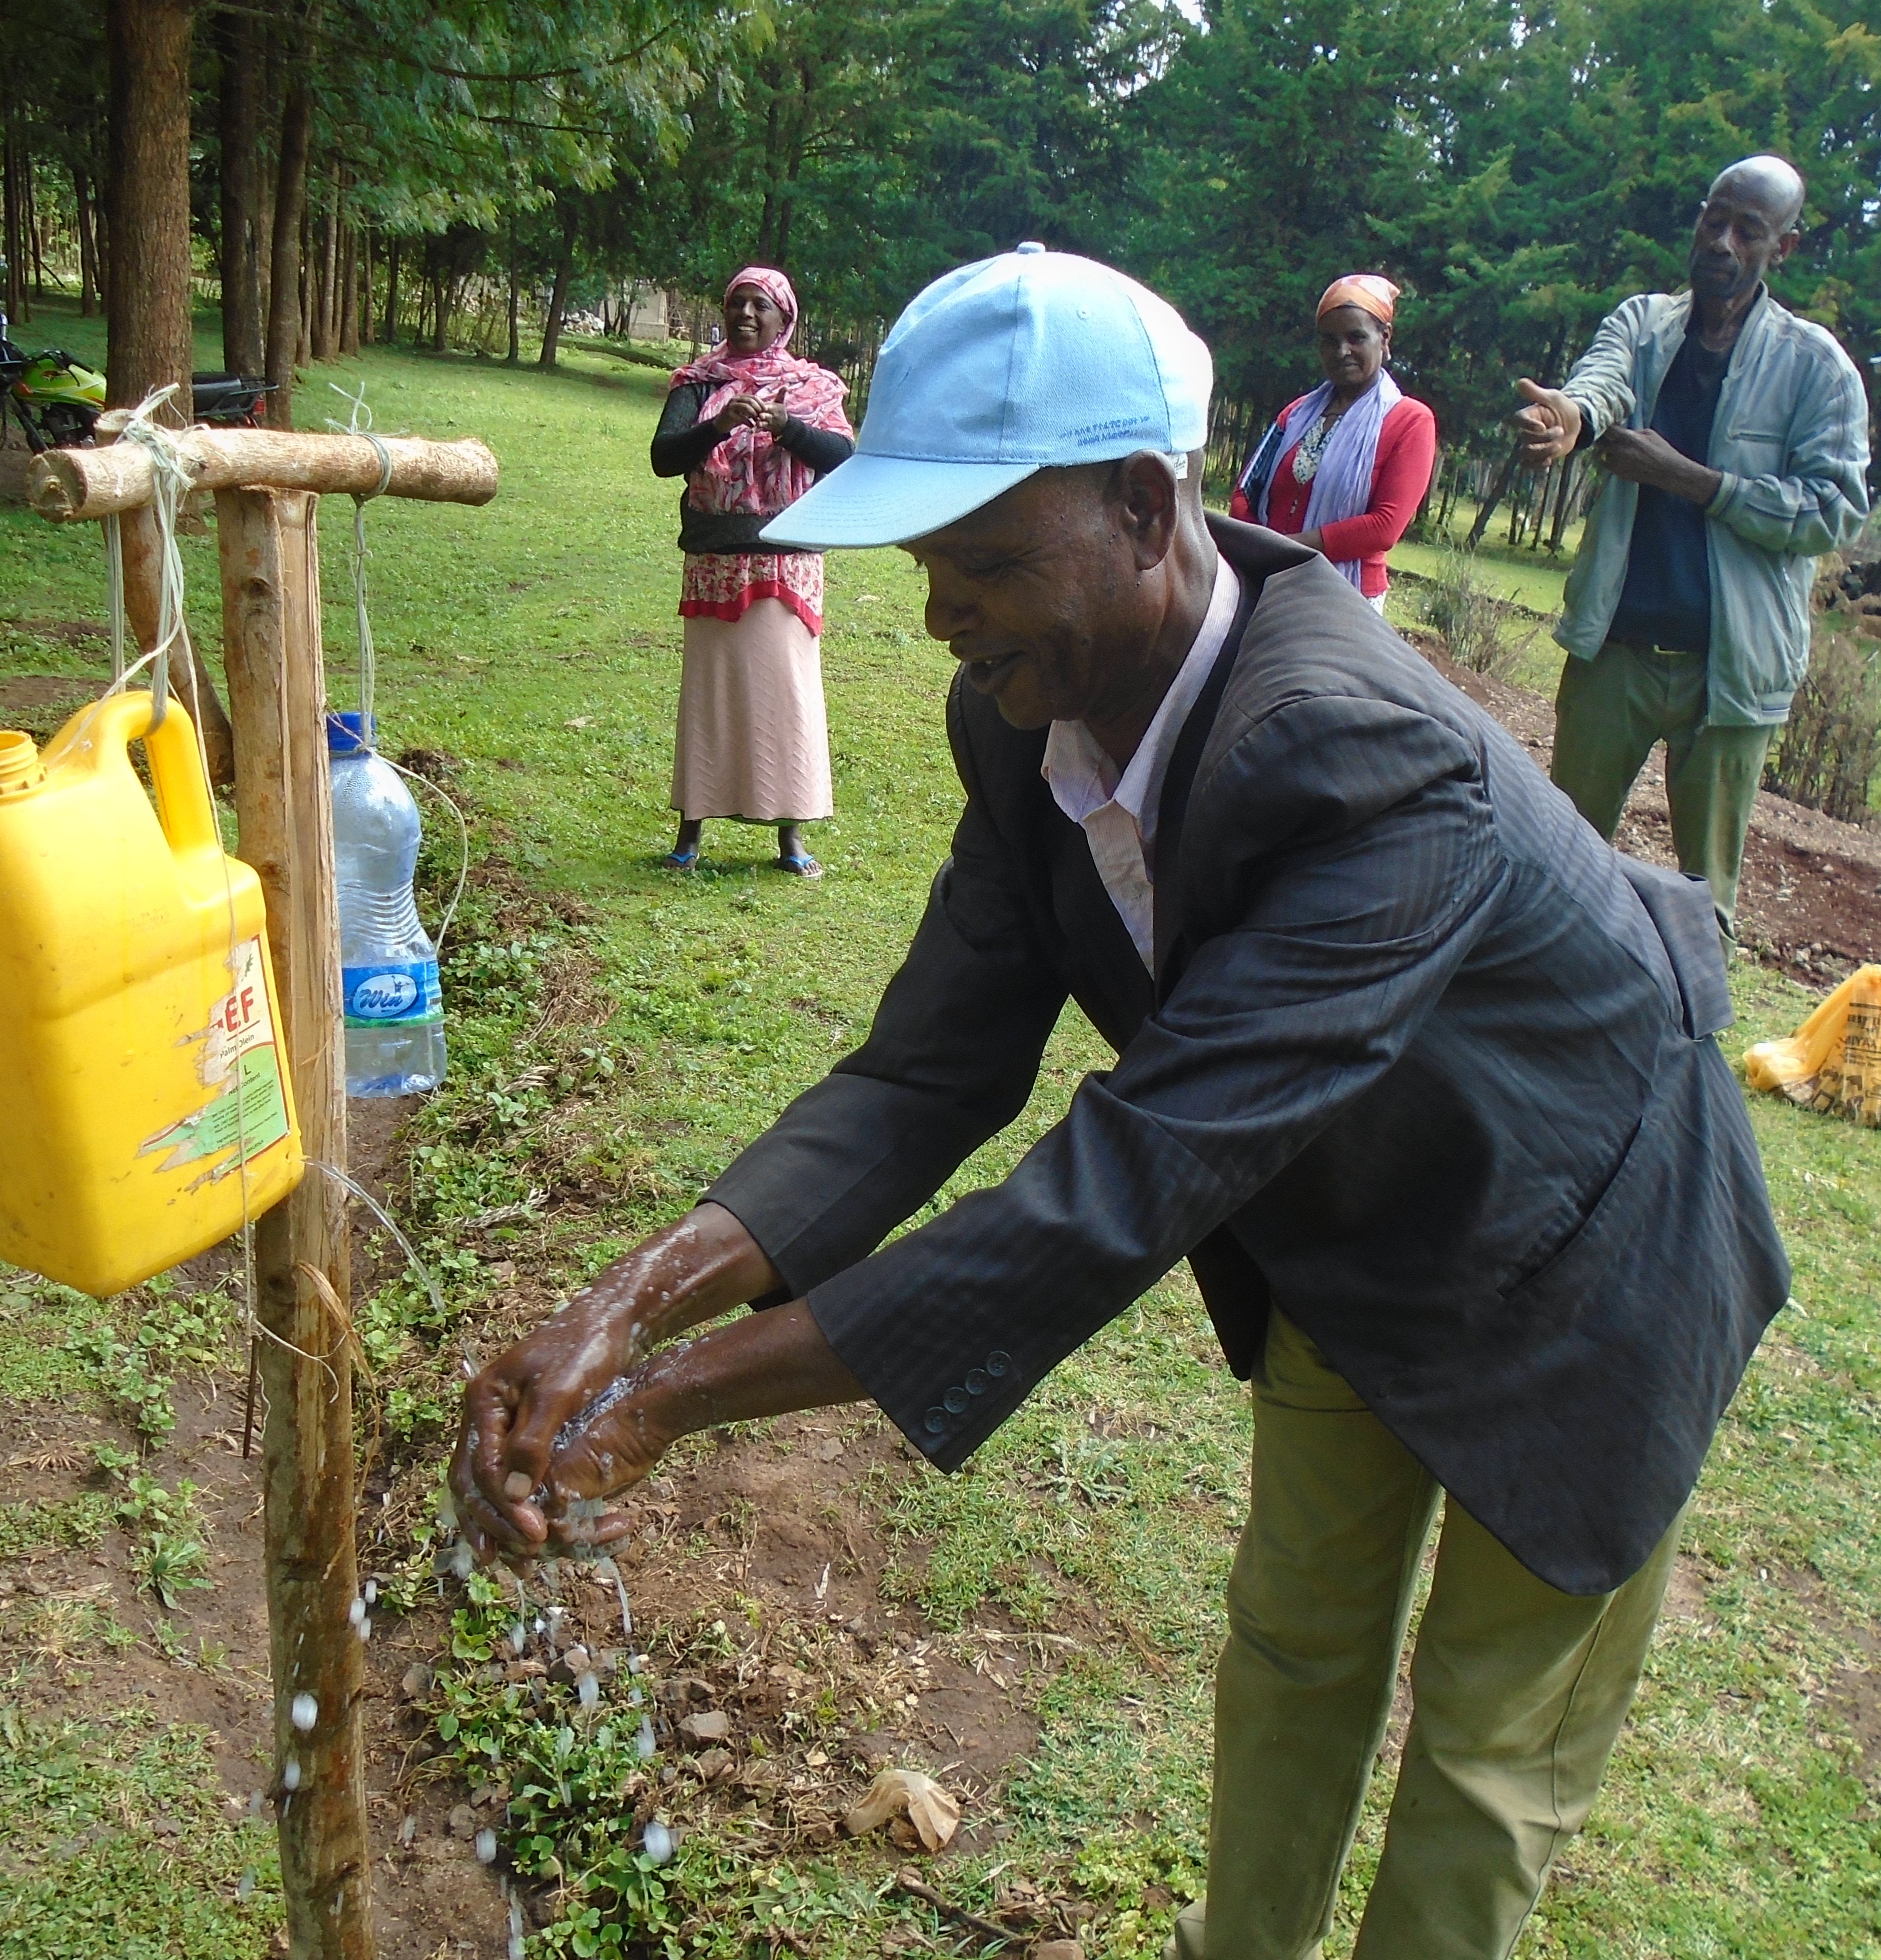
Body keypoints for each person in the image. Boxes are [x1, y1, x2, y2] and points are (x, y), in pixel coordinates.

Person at [453, 244, 1789, 1960]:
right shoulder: (1023, 720)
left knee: (1485, 1746)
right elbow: (926, 1070)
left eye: (990, 561)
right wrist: (617, 1303)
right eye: (930, 561)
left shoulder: (1367, 758)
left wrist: (660, 1404)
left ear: (1153, 511)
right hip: (1343, 1216)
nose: (942, 610)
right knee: (1297, 1645)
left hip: (1597, 1241)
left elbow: (1114, 1188)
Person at [1508, 155, 1870, 941]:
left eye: (1750, 231)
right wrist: (1573, 418)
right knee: (1560, 865)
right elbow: (1601, 384)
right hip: (1618, 652)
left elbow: (1835, 511)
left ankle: (1685, 1047)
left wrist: (1697, 482)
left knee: (1705, 905)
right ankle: (1542, 1032)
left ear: (1786, 248)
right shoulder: (1642, 325)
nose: (1724, 242)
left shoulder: (1818, 370)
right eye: (1715, 219)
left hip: (1730, 673)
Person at [650, 266, 857, 876]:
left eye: (759, 305)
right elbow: (665, 459)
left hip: (786, 562)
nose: (745, 314)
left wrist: (787, 427)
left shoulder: (812, 388)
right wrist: (716, 425)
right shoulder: (698, 383)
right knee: (709, 698)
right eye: (737, 303)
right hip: (714, 562)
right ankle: (690, 832)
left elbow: (843, 459)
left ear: (783, 319)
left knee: (786, 697)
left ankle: (791, 837)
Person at [1230, 274, 1437, 611]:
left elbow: (1384, 527)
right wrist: (1259, 552)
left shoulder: (1410, 421)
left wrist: (1285, 551)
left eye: (1356, 337)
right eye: (1329, 340)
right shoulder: (1297, 414)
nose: (1342, 352)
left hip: (1344, 602)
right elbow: (1246, 491)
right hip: (1266, 583)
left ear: (1384, 338)